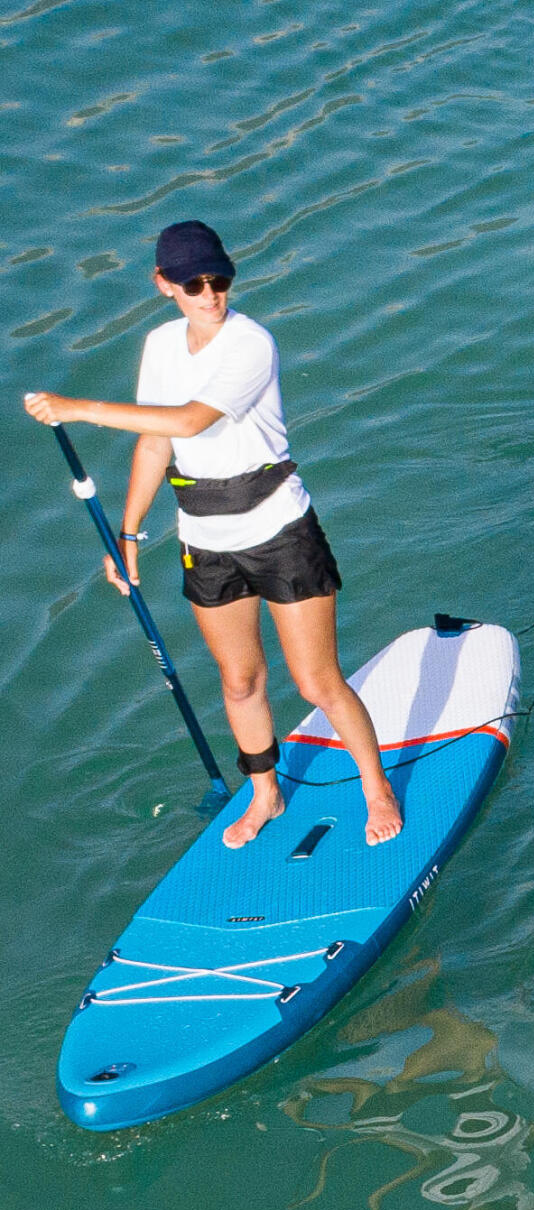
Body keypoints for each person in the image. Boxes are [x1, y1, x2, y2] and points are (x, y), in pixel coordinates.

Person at [23, 220, 402, 847]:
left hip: (280, 529)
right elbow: (156, 441)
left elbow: (191, 421)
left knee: (316, 682)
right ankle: (265, 793)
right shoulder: (161, 346)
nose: (210, 293)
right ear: (164, 284)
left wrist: (81, 408)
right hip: (205, 537)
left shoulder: (251, 343)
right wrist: (129, 534)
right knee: (240, 681)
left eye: (219, 279)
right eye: (193, 283)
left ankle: (375, 786)